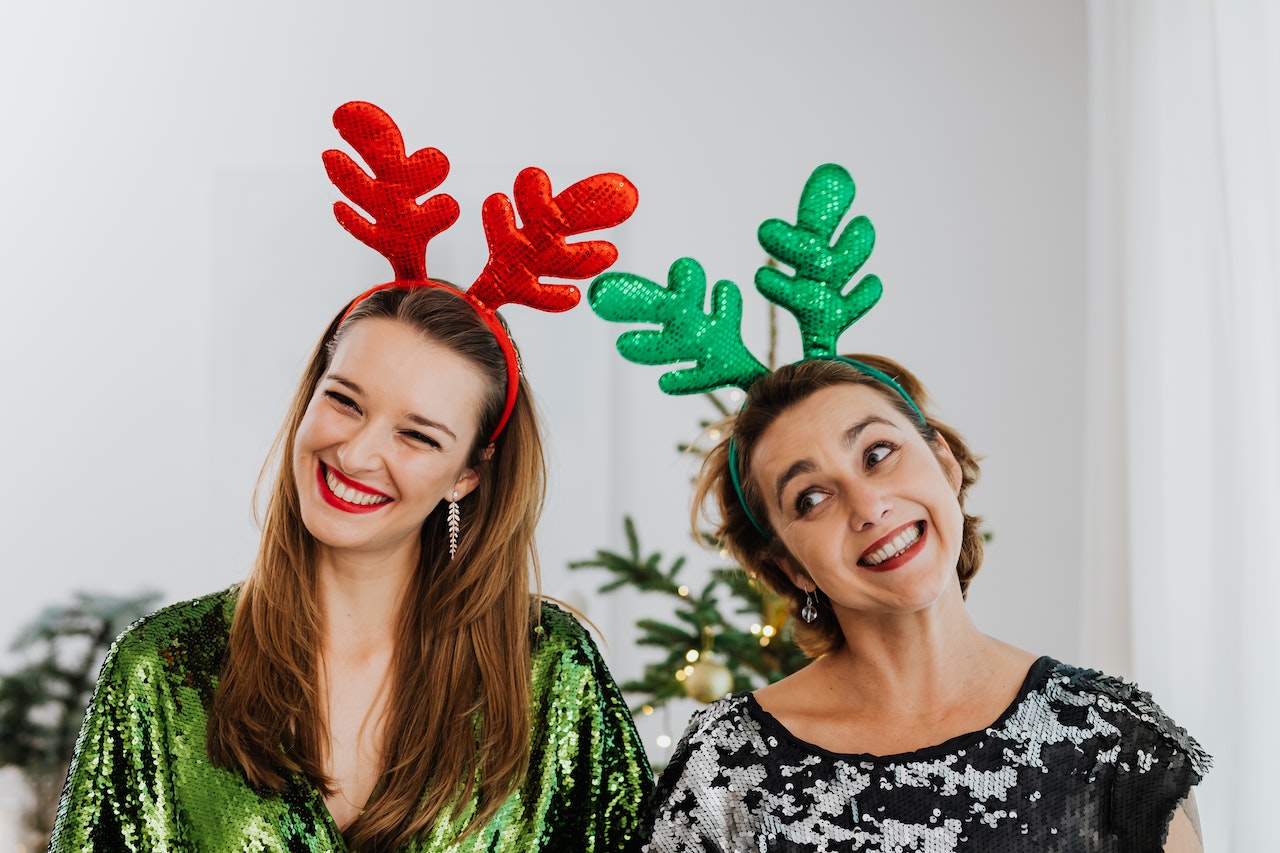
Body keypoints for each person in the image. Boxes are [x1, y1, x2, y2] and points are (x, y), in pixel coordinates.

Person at [50, 102, 651, 852]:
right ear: (311, 396)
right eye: (345, 401)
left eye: (417, 434)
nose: (359, 453)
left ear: (467, 475)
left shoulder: (552, 672)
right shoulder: (160, 671)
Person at [587, 164, 1209, 852]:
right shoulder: (724, 768)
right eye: (811, 496)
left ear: (943, 461)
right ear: (790, 564)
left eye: (878, 453)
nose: (868, 502)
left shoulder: (1114, 741)